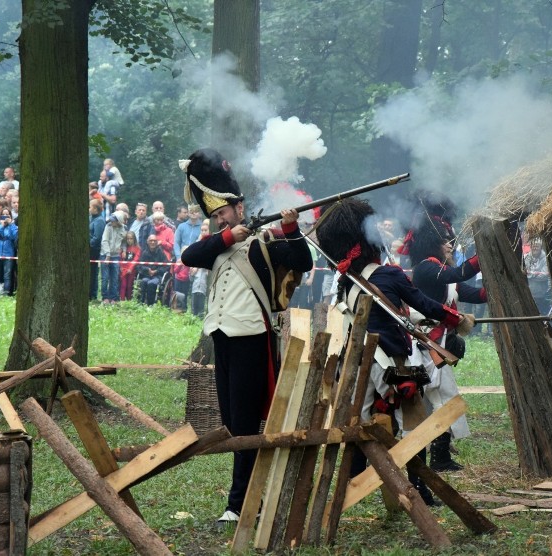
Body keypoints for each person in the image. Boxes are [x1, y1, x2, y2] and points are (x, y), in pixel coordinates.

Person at [179, 148, 313, 525]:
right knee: (234, 421)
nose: (220, 221)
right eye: (215, 217)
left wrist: (290, 228)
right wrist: (225, 237)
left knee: (246, 422)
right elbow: (189, 256)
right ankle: (246, 497)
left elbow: (303, 262)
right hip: (222, 339)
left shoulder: (266, 243)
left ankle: (239, 504)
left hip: (251, 339)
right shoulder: (218, 247)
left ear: (240, 207)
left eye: (224, 214)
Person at [315, 197, 474, 502]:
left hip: (358, 360)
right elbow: (425, 304)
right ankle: (420, 490)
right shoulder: (389, 275)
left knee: (358, 422)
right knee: (413, 427)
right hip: (391, 362)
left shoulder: (347, 282)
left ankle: (354, 480)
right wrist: (458, 319)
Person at [407, 206, 486, 472]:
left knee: (439, 400)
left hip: (437, 344)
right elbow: (459, 273)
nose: (450, 246)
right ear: (432, 244)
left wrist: (503, 279)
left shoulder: (443, 274)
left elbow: (476, 294)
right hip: (427, 344)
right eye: (445, 241)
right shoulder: (427, 269)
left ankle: (439, 457)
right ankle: (438, 459)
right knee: (442, 399)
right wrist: (483, 252)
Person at [100, 210, 127, 305]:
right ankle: (105, 297)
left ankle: (113, 298)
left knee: (114, 277)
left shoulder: (124, 228)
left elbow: (124, 241)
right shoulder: (108, 227)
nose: (112, 222)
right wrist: (107, 255)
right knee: (105, 277)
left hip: (116, 256)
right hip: (105, 255)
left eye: (114, 221)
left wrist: (123, 250)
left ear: (119, 221)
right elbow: (104, 241)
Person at [0, 208, 18, 295]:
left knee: (7, 275)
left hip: (8, 254)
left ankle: (6, 293)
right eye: (3, 215)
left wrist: (11, 224)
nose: (5, 217)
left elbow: (15, 236)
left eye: (7, 215)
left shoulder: (13, 227)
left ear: (10, 216)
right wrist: (1, 226)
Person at [136, 234, 169, 305]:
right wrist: (147, 269)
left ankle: (150, 305)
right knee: (144, 282)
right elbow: (139, 266)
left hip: (158, 276)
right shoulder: (144, 253)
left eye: (154, 241)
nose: (153, 242)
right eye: (151, 241)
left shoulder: (161, 253)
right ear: (148, 242)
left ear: (157, 242)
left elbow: (166, 266)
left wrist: (156, 271)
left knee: (151, 283)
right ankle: (141, 303)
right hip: (147, 275)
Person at [523, 237, 552, 315]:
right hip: (530, 295)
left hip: (543, 295)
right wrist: (535, 274)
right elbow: (522, 273)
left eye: (537, 246)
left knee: (545, 317)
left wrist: (529, 274)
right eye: (533, 246)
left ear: (540, 247)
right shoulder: (526, 258)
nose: (535, 248)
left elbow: (545, 275)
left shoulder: (546, 258)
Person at [88, 199, 106, 301]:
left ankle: (92, 294)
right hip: (89, 249)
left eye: (90, 206)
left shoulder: (100, 220)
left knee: (93, 272)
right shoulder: (91, 218)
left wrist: (88, 245)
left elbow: (97, 237)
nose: (89, 208)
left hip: (93, 250)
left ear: (95, 208)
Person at [119, 230, 141, 301]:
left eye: (131, 238)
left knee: (129, 286)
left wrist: (130, 268)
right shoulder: (124, 249)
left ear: (134, 239)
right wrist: (121, 267)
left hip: (132, 270)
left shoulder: (137, 248)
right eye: (128, 239)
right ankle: (122, 300)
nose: (129, 240)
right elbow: (120, 258)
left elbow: (136, 260)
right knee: (123, 285)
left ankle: (129, 300)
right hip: (124, 269)